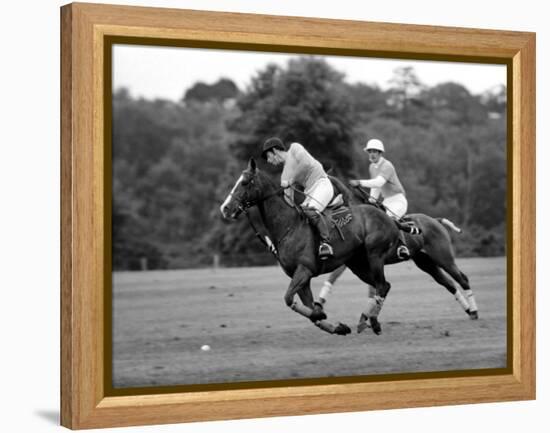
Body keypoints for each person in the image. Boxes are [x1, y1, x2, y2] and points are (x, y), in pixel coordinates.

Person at [317, 138, 411, 307]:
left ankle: (402, 245)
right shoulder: (372, 167)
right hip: (386, 201)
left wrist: (360, 182)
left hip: (398, 200)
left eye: (374, 152)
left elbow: (379, 182)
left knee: (389, 221)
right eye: (370, 152)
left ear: (380, 153)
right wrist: (372, 201)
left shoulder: (387, 165)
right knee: (377, 220)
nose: (372, 154)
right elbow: (375, 190)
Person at [261, 137, 334, 260]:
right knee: (298, 217)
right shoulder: (284, 175)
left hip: (322, 185)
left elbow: (305, 163)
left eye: (268, 156)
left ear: (274, 151)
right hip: (310, 193)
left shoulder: (295, 148)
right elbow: (289, 200)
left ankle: (326, 244)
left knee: (310, 211)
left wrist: (291, 181)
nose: (269, 161)